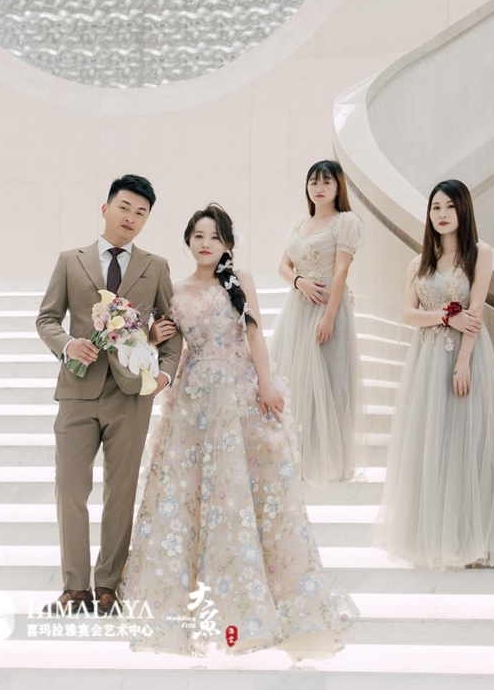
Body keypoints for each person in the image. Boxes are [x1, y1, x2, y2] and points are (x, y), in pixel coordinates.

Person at [122, 204, 357, 659]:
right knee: (192, 496)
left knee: (255, 496)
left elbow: (254, 336)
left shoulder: (239, 279)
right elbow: (167, 345)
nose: (205, 243)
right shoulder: (174, 288)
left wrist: (266, 384)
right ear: (188, 242)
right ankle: (202, 617)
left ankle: (268, 612)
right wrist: (151, 338)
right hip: (194, 401)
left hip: (241, 393)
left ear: (227, 243)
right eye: (198, 236)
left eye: (214, 236)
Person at [34, 175, 183, 616]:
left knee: (121, 491)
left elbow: (173, 329)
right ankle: (74, 587)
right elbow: (46, 318)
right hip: (78, 390)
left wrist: (164, 375)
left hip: (132, 395)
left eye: (141, 212)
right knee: (69, 487)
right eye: (124, 207)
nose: (131, 217)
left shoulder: (155, 266)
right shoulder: (70, 260)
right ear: (105, 209)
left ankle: (108, 587)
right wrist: (67, 344)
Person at [372, 180, 494, 569]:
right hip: (425, 359)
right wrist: (444, 317)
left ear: (463, 211)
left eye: (449, 207)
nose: (441, 214)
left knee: (462, 442)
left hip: (464, 357)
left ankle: (467, 540)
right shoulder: (418, 262)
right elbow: (408, 315)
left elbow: (476, 310)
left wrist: (464, 360)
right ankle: (431, 540)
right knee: (429, 444)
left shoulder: (479, 254)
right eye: (435, 207)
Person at [270, 160, 365, 484]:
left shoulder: (345, 221)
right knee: (295, 381)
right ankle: (296, 459)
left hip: (329, 307)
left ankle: (330, 463)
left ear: (338, 186)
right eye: (313, 181)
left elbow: (341, 270)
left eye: (326, 181)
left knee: (331, 382)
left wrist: (329, 316)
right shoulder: (300, 224)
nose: (319, 187)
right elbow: (283, 266)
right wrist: (299, 282)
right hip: (298, 308)